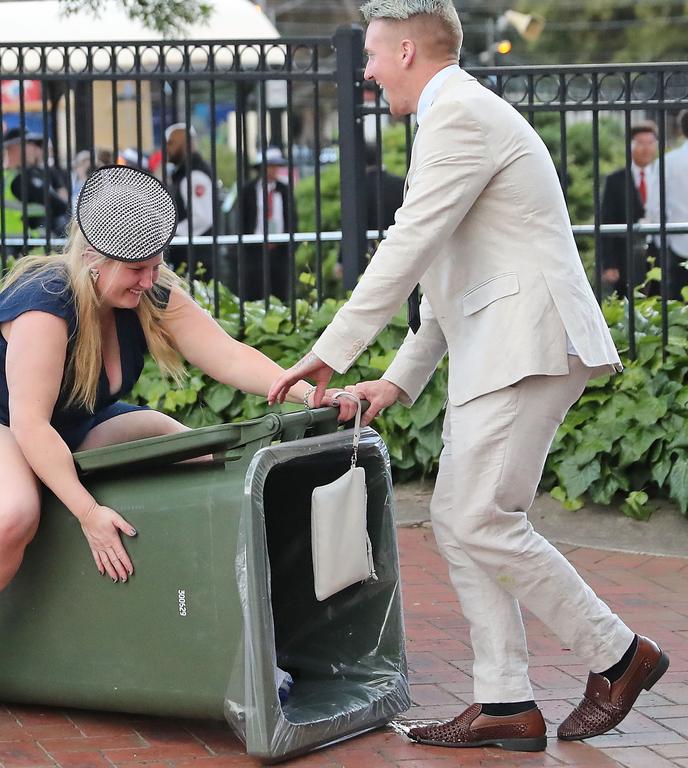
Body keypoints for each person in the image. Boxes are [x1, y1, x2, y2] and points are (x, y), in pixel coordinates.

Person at [269, 0, 668, 753]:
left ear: (411, 51)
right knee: (461, 519)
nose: (367, 68)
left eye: (376, 54)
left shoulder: (456, 114)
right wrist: (399, 379)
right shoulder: (453, 116)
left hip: (528, 344)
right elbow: (449, 272)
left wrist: (336, 349)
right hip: (509, 342)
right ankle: (504, 701)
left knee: (480, 518)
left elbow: (409, 244)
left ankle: (619, 655)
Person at [0, 164, 316, 739]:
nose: (149, 280)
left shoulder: (149, 290)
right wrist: (88, 513)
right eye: (136, 268)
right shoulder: (46, 301)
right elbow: (28, 425)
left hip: (67, 426)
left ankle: (236, 634)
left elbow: (225, 354)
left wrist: (309, 391)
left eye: (156, 265)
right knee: (12, 513)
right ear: (94, 259)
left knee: (187, 451)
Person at [600, 122, 659, 297]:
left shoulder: (663, 175)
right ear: (631, 146)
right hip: (625, 256)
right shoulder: (615, 180)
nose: (646, 149)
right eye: (640, 143)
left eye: (650, 143)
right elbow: (607, 219)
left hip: (661, 253)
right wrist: (609, 263)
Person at [0, 127, 68, 247]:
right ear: (15, 147)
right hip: (33, 249)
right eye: (29, 144)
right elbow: (60, 206)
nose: (35, 149)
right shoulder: (20, 180)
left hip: (11, 248)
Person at [238, 147, 296, 301]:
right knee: (254, 291)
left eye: (276, 166)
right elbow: (242, 219)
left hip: (279, 249)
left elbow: (291, 218)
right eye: (270, 166)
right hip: (254, 248)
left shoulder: (284, 190)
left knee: (279, 292)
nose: (273, 170)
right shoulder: (248, 190)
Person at [165, 123, 215, 280]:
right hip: (189, 257)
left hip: (195, 259)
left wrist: (171, 235)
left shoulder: (194, 175)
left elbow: (202, 218)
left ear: (185, 143)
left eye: (171, 142)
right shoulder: (183, 173)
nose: (167, 148)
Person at [648, 109, 688, 301]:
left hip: (678, 242)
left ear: (682, 130)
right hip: (676, 240)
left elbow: (655, 206)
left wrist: (662, 242)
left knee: (677, 309)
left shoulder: (668, 162)